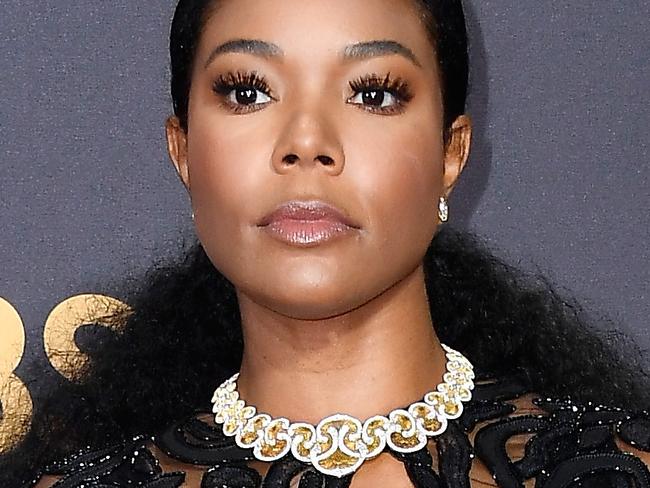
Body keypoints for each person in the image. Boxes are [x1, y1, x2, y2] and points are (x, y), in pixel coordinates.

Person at [2, 0, 649, 486]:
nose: (306, 141)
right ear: (184, 152)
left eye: (372, 93)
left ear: (451, 154)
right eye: (248, 91)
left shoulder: (617, 469)